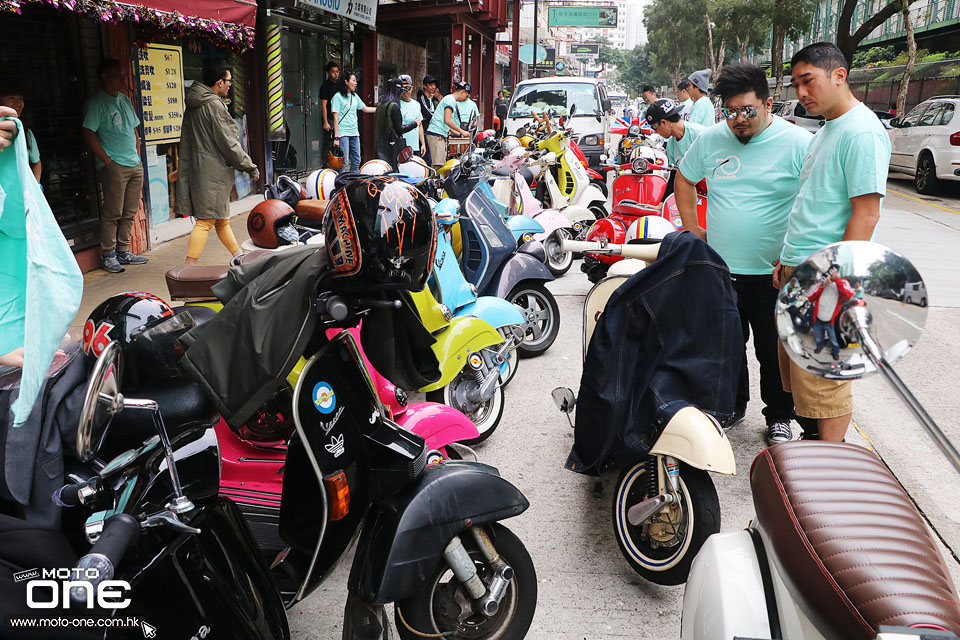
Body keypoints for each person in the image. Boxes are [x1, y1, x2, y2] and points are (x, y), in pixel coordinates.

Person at [676, 62, 813, 445]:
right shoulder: (712, 139)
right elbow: (684, 178)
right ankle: (731, 407)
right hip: (721, 271)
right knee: (726, 347)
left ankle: (779, 416)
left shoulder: (798, 143)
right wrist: (693, 230)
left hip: (775, 274)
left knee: (773, 351)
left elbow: (816, 199)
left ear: (769, 103)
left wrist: (798, 252)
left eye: (746, 111)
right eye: (730, 111)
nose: (737, 120)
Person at [773, 42, 891, 443]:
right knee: (803, 379)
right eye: (796, 84)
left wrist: (837, 281)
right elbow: (812, 201)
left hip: (825, 275)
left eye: (808, 81)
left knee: (826, 381)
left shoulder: (861, 132)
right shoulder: (828, 129)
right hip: (800, 269)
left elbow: (867, 213)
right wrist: (785, 260)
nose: (801, 93)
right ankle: (815, 456)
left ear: (839, 75)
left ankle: (832, 470)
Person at [176, 62, 260, 265]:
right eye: (229, 80)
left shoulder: (196, 103)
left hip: (200, 168)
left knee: (221, 219)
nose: (230, 84)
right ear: (219, 82)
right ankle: (189, 265)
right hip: (212, 172)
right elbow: (229, 143)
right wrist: (249, 166)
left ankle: (239, 256)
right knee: (205, 221)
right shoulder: (213, 105)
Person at [82, 58, 148, 274]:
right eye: (118, 75)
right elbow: (88, 133)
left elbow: (134, 129)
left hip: (133, 162)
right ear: (104, 76)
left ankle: (123, 250)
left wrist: (137, 155)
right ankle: (108, 254)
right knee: (113, 211)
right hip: (115, 164)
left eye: (123, 75)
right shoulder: (97, 103)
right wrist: (108, 161)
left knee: (129, 210)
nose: (123, 78)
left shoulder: (124, 99)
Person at [331, 71, 377, 172]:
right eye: (354, 80)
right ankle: (341, 184)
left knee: (356, 160)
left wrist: (381, 109)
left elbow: (365, 109)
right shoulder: (337, 97)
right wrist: (336, 137)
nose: (356, 83)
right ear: (346, 82)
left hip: (354, 133)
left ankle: (353, 183)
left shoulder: (355, 96)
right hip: (343, 134)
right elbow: (335, 118)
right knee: (344, 162)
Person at [808, 266, 854, 361]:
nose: (832, 274)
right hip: (818, 318)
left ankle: (835, 352)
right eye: (831, 272)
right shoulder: (821, 283)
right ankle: (820, 347)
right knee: (818, 337)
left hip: (830, 321)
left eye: (835, 272)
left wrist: (836, 280)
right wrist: (822, 285)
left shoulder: (842, 282)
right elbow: (811, 297)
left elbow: (847, 295)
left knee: (833, 340)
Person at [645, 98, 706, 167]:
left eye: (654, 127)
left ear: (663, 122)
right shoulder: (671, 145)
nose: (656, 132)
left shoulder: (700, 135)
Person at [425, 81, 471, 168]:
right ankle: (433, 181)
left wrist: (460, 134)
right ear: (463, 92)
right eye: (466, 95)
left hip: (439, 134)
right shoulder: (450, 100)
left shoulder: (449, 99)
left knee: (441, 164)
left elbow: (447, 125)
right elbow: (447, 120)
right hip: (436, 134)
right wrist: (462, 131)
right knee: (437, 165)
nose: (465, 98)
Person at [0, 82, 40, 182]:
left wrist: (37, 187)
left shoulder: (26, 132)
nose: (18, 104)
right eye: (11, 98)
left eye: (20, 99)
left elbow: (36, 163)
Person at [374, 77, 418, 166]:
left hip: (380, 145)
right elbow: (400, 129)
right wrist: (414, 123)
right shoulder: (394, 106)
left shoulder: (380, 105)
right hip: (393, 146)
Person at [318, 61, 340, 168]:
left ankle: (336, 163)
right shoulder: (325, 87)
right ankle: (325, 164)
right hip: (330, 118)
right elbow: (323, 105)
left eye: (337, 71)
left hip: (339, 118)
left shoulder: (340, 85)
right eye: (333, 72)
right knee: (328, 142)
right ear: (328, 73)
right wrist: (325, 122)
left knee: (338, 142)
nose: (335, 74)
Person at [398, 74, 425, 157]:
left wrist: (423, 143)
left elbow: (420, 125)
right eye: (403, 88)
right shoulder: (396, 104)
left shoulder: (416, 104)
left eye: (408, 88)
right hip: (401, 146)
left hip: (415, 146)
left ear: (412, 88)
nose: (406, 91)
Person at [417, 75, 440, 164]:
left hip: (433, 130)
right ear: (425, 86)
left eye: (434, 85)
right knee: (427, 156)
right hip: (425, 130)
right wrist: (437, 118)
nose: (433, 87)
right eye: (430, 85)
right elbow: (428, 114)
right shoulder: (422, 98)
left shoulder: (434, 100)